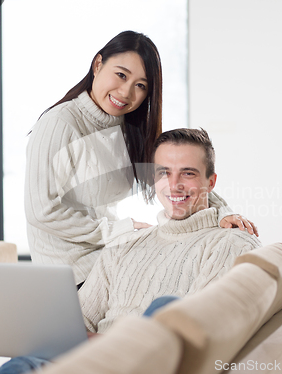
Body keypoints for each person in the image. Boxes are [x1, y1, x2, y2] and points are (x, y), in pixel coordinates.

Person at [0, 128, 262, 374]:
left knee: (167, 308)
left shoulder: (230, 243)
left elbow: (196, 335)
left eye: (188, 173)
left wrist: (107, 344)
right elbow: (77, 323)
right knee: (21, 364)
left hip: (144, 364)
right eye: (163, 173)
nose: (174, 184)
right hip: (89, 360)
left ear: (211, 182)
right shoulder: (124, 245)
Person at [24, 31, 258, 287]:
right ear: (98, 64)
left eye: (141, 86)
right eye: (121, 75)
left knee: (195, 260)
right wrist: (118, 230)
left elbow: (177, 176)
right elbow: (41, 211)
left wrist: (223, 214)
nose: (126, 92)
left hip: (109, 256)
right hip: (72, 273)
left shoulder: (129, 130)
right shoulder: (60, 124)